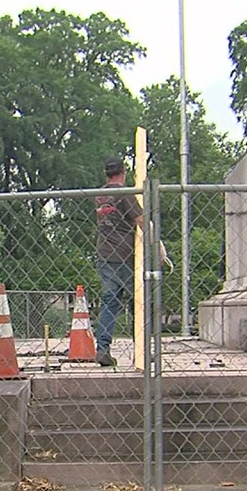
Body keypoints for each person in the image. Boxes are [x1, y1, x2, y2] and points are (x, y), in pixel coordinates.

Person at [94, 156, 143, 367]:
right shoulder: (126, 194)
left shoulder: (100, 195)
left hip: (104, 254)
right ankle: (141, 350)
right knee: (137, 303)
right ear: (123, 172)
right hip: (125, 255)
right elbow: (141, 221)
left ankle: (103, 349)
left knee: (109, 302)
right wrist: (157, 245)